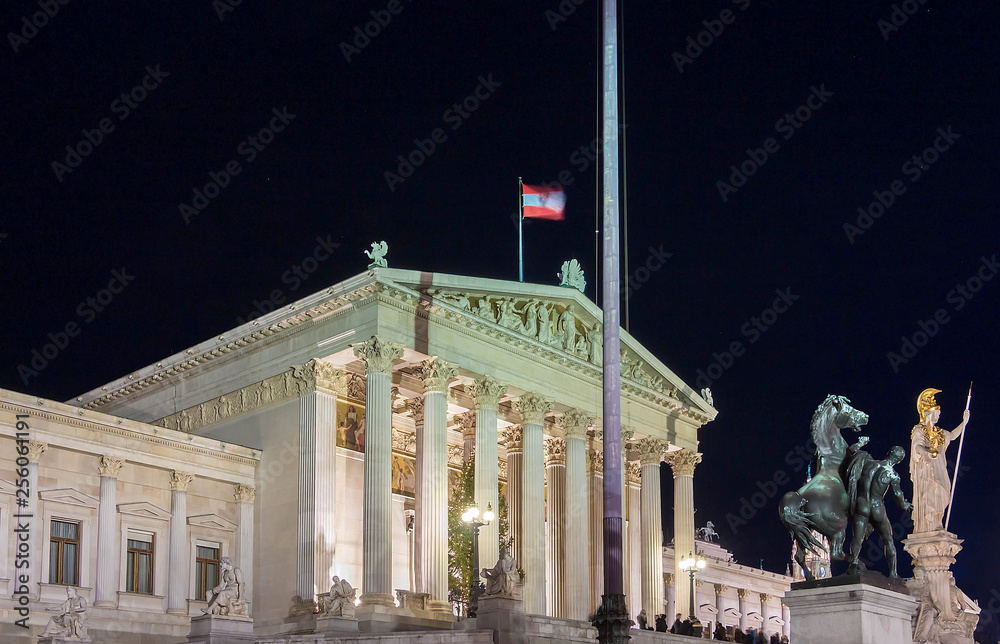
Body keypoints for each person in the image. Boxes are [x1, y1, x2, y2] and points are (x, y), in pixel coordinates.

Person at [845, 439, 911, 577]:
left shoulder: (869, 462)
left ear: (889, 453)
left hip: (861, 504)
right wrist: (903, 504)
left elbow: (850, 451)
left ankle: (854, 563)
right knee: (888, 539)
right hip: (877, 507)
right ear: (898, 460)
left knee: (857, 538)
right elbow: (898, 494)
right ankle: (893, 573)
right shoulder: (893, 475)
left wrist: (860, 442)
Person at [909, 388, 969, 533]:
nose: (939, 415)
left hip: (940, 468)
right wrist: (927, 453)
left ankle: (937, 521)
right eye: (937, 412)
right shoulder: (919, 430)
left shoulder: (940, 432)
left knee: (942, 493)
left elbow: (953, 435)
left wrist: (964, 422)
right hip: (926, 470)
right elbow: (917, 446)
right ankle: (928, 526)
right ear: (929, 413)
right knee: (930, 494)